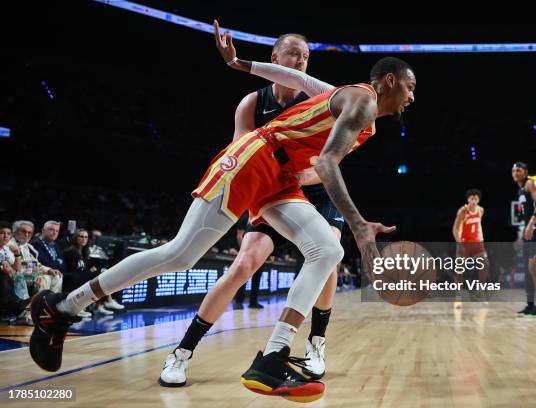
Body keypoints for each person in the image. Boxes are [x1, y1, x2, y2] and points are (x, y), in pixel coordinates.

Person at [28, 21, 415, 402]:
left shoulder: (353, 105)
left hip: (281, 179)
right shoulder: (362, 99)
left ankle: (273, 357)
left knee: (328, 251)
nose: (412, 98)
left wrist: (240, 64)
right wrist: (359, 224)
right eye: (411, 88)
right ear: (392, 82)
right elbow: (328, 164)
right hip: (254, 159)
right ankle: (63, 307)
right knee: (181, 255)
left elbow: (298, 81)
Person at [160, 30, 342, 387]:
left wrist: (297, 174)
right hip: (270, 189)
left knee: (327, 256)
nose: (301, 60)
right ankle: (181, 352)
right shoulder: (251, 103)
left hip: (313, 190)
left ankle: (315, 344)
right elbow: (239, 158)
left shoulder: (321, 101)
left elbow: (322, 165)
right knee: (244, 264)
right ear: (274, 60)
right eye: (293, 53)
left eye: (305, 56)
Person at [512, 162, 536, 317]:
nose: (515, 172)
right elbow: (524, 214)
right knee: (528, 270)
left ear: (526, 172)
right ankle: (530, 305)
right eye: (513, 170)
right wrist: (522, 234)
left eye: (519, 170)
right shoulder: (521, 189)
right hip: (530, 230)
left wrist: (530, 225)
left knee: (534, 266)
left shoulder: (531, 182)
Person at [452, 189, 489, 304]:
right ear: (468, 199)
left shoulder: (481, 210)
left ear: (478, 200)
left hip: (477, 241)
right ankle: (458, 294)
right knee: (459, 269)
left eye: (476, 198)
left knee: (485, 265)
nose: (473, 200)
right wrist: (459, 242)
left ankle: (480, 292)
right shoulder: (463, 211)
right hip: (464, 242)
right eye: (471, 198)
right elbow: (455, 229)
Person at [0, 221, 30, 322]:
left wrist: (17, 253)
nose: (5, 236)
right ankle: (16, 305)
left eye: (8, 234)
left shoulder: (6, 249)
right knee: (3, 275)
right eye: (2, 233)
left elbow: (18, 268)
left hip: (7, 276)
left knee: (19, 275)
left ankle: (23, 308)